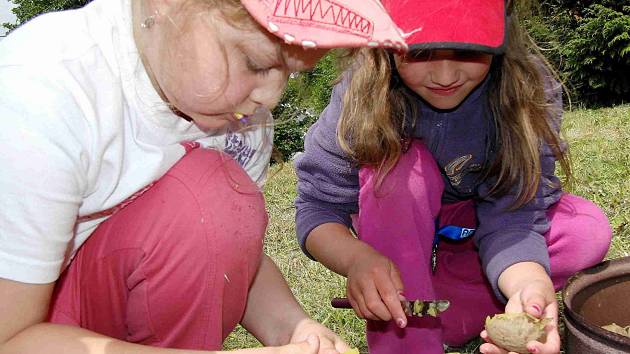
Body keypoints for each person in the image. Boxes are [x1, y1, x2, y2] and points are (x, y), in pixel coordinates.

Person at [0, 0, 409, 353]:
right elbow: (10, 339)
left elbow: (236, 252)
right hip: (25, 327)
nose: (270, 97)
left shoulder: (241, 120)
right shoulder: (40, 94)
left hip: (94, 311)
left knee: (215, 201)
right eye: (256, 63)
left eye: (291, 72)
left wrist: (296, 329)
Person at [294, 1, 613, 353]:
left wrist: (528, 284)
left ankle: (435, 308)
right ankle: (408, 336)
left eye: (468, 50)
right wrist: (357, 260)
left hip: (473, 224)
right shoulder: (360, 94)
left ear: (502, 34)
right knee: (397, 176)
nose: (445, 76)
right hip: (397, 225)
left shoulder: (527, 90)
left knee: (585, 231)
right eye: (420, 53)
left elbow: (515, 217)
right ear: (384, 45)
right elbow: (318, 208)